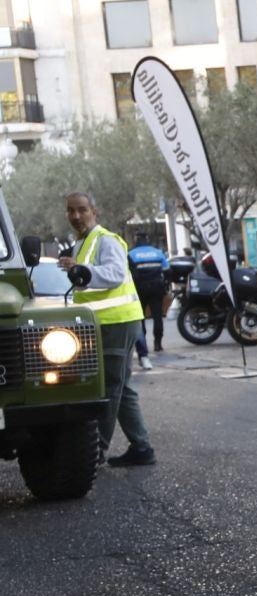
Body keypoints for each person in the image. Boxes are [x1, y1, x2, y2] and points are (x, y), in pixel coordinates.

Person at [59, 192, 157, 468]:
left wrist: (81, 268)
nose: (76, 216)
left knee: (110, 387)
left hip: (117, 323)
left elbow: (114, 274)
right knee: (122, 388)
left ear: (94, 212)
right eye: (71, 211)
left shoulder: (107, 240)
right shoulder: (82, 243)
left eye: (82, 210)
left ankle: (96, 452)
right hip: (108, 324)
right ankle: (142, 448)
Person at [127, 236, 170, 370]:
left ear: (136, 241)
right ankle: (158, 343)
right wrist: (166, 286)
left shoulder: (132, 254)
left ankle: (143, 343)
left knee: (140, 318)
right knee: (158, 315)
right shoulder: (157, 252)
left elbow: (129, 274)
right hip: (157, 288)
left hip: (139, 290)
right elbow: (167, 271)